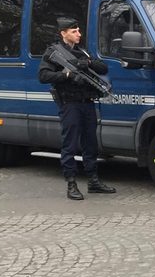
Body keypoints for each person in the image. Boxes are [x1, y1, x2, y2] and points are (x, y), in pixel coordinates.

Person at [38, 17, 116, 200]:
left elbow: (103, 68)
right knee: (70, 144)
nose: (78, 34)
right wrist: (66, 75)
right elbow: (43, 75)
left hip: (87, 103)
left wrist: (86, 63)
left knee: (91, 143)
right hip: (69, 103)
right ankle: (71, 183)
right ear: (63, 33)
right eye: (74, 31)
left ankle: (93, 181)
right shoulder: (54, 52)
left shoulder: (82, 52)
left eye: (79, 30)